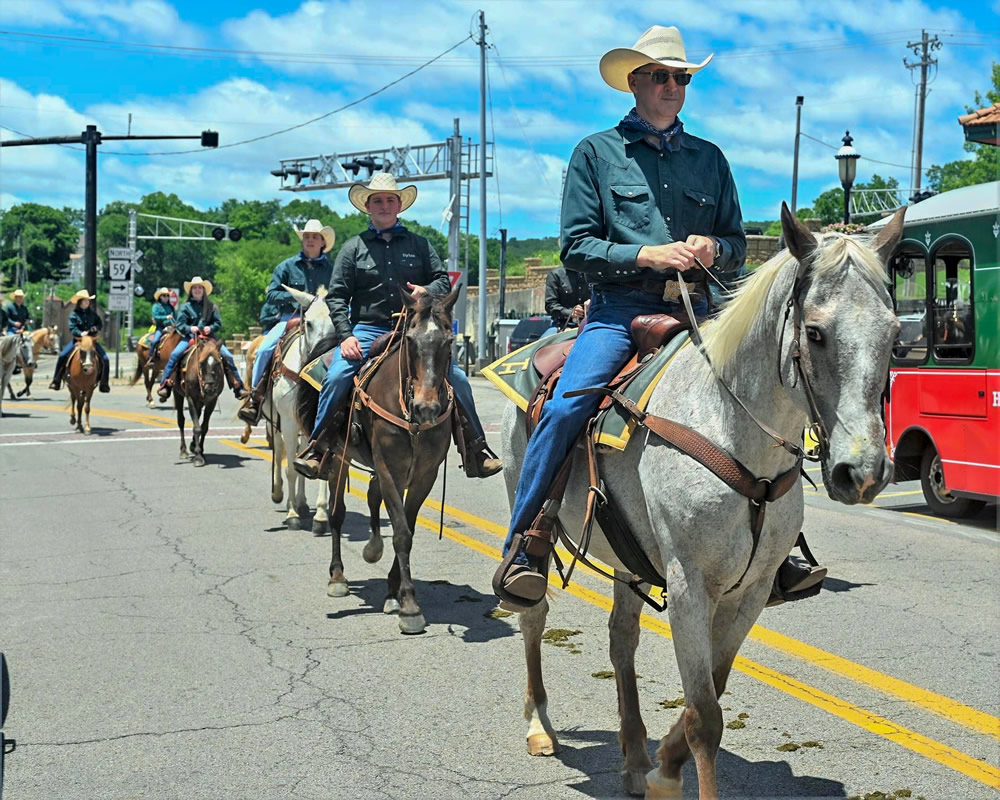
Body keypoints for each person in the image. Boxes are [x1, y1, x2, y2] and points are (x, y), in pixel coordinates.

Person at [494, 25, 824, 608]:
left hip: (706, 307)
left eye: (683, 77)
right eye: (663, 76)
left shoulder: (710, 159)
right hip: (623, 309)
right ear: (635, 82)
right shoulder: (596, 153)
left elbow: (733, 239)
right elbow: (576, 247)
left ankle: (783, 543)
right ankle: (529, 539)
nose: (674, 86)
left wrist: (712, 250)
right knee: (568, 402)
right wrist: (645, 254)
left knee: (777, 387)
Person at [293, 172, 502, 480]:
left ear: (399, 206)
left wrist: (426, 292)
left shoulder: (419, 244)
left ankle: (475, 450)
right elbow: (337, 297)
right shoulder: (353, 248)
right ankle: (318, 449)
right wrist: (347, 336)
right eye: (378, 200)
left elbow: (443, 280)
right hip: (367, 328)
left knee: (458, 378)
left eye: (390, 200)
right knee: (337, 375)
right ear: (368, 206)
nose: (384, 205)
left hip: (414, 331)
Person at [237, 220, 335, 425]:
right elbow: (271, 294)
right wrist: (297, 298)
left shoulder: (332, 269)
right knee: (264, 350)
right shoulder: (287, 266)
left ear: (323, 242)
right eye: (306, 237)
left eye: (314, 237)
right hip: (290, 319)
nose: (310, 240)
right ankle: (255, 398)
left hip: (324, 321)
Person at [156, 277, 246, 401]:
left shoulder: (211, 306)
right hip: (191, 338)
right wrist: (190, 328)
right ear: (191, 291)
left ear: (203, 290)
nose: (197, 290)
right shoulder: (186, 307)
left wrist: (211, 327)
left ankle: (238, 386)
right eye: (194, 288)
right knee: (175, 355)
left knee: (228, 356)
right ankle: (166, 385)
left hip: (209, 339)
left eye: (199, 288)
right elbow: (180, 324)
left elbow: (218, 322)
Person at [49, 290, 110, 393]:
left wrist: (95, 328)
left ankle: (104, 383)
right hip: (78, 340)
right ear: (80, 302)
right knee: (62, 356)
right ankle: (56, 380)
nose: (87, 302)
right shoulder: (74, 315)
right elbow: (72, 328)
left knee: (105, 359)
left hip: (91, 341)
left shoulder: (93, 314)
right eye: (85, 300)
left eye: (88, 300)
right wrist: (80, 333)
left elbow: (99, 324)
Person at [544, 265, 590, 330]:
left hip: (589, 324)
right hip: (561, 325)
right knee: (547, 339)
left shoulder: (592, 273)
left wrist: (592, 302)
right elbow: (550, 305)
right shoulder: (555, 274)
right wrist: (570, 312)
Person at [145, 288, 176, 365]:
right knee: (155, 340)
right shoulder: (156, 306)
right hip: (161, 327)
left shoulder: (171, 307)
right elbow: (155, 317)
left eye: (167, 296)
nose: (166, 297)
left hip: (171, 326)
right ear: (160, 297)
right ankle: (150, 357)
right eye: (164, 295)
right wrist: (166, 317)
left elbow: (175, 317)